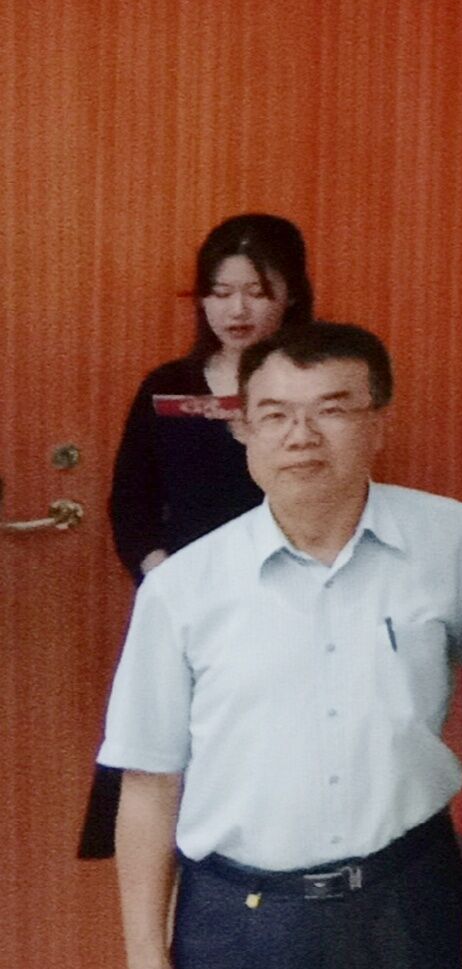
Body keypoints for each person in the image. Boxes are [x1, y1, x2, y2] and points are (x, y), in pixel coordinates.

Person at [99, 319, 462, 969]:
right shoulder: (183, 588)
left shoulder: (456, 541)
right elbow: (149, 786)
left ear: (379, 420)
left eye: (332, 409)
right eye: (275, 413)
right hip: (235, 924)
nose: (301, 434)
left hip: (402, 902)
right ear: (243, 428)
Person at [81, 212, 313, 860]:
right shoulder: (167, 387)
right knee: (168, 771)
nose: (236, 310)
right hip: (186, 603)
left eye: (256, 292)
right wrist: (161, 574)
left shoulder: (310, 388)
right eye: (220, 291)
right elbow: (130, 501)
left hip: (290, 598)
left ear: (290, 294)